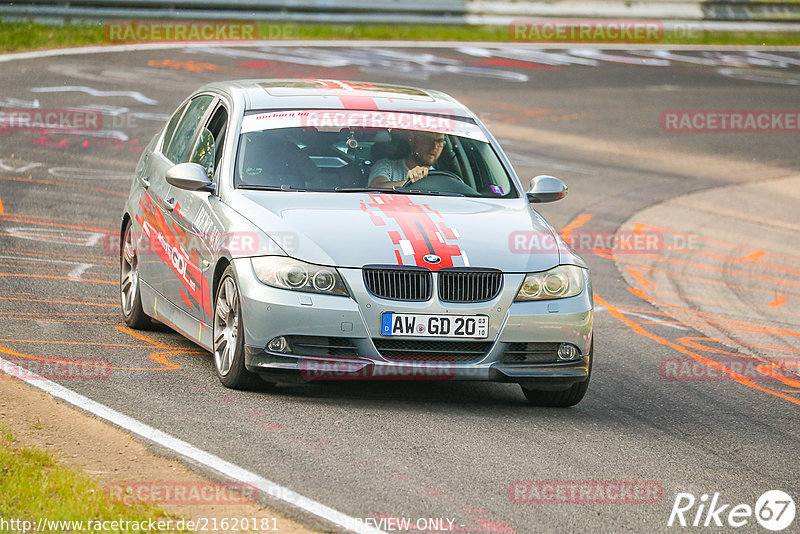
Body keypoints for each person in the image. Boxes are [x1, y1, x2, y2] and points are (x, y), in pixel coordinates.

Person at [368, 131, 445, 188]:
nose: (434, 146)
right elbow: (376, 187)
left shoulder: (440, 177)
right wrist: (411, 183)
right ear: (412, 139)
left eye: (440, 141)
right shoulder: (387, 166)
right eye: (428, 139)